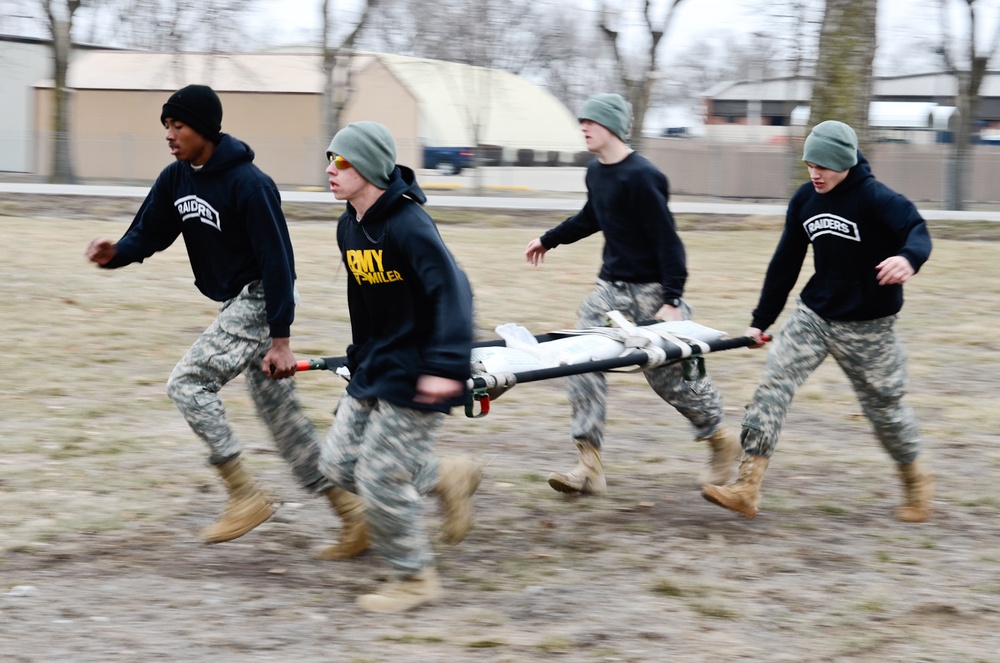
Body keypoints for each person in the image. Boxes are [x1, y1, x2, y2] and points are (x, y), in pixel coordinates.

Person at [85, 84, 368, 557]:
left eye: (179, 126)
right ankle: (354, 515)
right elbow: (148, 233)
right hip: (238, 301)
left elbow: (279, 263)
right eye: (167, 127)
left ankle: (243, 495)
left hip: (262, 299)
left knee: (188, 383)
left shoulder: (250, 184)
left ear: (205, 130)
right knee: (283, 421)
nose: (170, 136)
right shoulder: (177, 178)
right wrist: (114, 254)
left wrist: (281, 338)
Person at [701, 120, 934, 522]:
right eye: (810, 163)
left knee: (885, 409)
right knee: (773, 386)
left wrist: (908, 258)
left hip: (869, 326)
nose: (815, 173)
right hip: (814, 316)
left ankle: (915, 480)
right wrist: (761, 319)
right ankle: (747, 487)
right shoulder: (805, 200)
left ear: (845, 162)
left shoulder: (876, 198)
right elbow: (786, 262)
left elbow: (917, 228)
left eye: (824, 166)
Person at [524, 92, 740, 496]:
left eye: (590, 121)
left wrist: (672, 300)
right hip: (610, 288)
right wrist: (549, 239)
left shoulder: (643, 175)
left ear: (611, 127)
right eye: (582, 122)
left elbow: (668, 242)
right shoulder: (596, 172)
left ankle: (720, 440)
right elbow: (593, 216)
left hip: (652, 290)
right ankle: (589, 464)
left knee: (669, 379)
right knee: (577, 361)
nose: (583, 128)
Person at [318, 121, 482, 613]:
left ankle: (415, 578)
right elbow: (362, 297)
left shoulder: (409, 224)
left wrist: (447, 366)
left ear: (369, 167)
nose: (330, 169)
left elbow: (454, 291)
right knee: (338, 465)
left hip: (422, 365)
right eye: (329, 158)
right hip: (379, 361)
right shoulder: (350, 224)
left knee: (381, 475)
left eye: (342, 161)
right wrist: (357, 357)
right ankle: (446, 475)